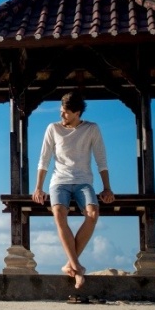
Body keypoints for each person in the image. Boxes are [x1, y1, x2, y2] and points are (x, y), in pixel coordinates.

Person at [32, 91, 114, 289]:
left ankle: (70, 264)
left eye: (66, 112)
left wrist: (107, 188)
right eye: (61, 110)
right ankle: (77, 267)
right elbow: (44, 160)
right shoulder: (53, 128)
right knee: (59, 213)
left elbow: (101, 160)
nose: (61, 115)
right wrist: (38, 188)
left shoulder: (92, 129)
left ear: (77, 113)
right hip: (59, 182)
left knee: (93, 214)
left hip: (84, 182)